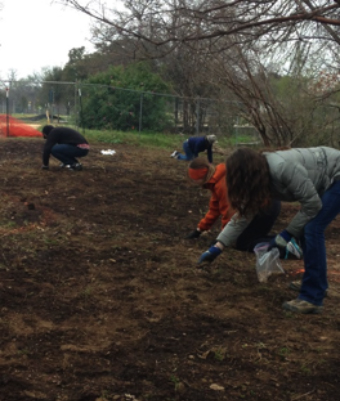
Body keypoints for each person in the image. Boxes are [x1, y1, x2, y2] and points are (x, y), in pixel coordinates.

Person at [198, 146, 340, 314]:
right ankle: (314, 282)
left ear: (248, 173)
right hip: (325, 179)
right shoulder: (260, 178)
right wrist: (217, 246)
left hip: (336, 174)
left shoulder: (282, 168)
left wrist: (286, 235)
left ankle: (312, 297)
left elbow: (312, 205)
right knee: (306, 227)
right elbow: (243, 215)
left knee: (312, 228)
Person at [186, 157, 282, 253]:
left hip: (266, 205)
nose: (193, 182)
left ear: (201, 176)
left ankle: (285, 245)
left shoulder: (221, 184)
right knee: (250, 237)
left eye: (194, 179)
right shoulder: (215, 181)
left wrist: (222, 241)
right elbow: (214, 209)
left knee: (244, 243)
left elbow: (229, 212)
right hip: (262, 204)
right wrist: (200, 229)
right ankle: (285, 240)